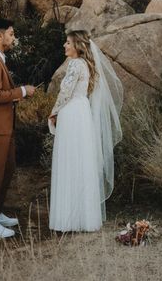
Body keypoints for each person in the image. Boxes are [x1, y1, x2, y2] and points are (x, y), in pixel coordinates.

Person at [48, 29, 123, 232]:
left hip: (71, 112)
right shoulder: (87, 66)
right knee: (81, 163)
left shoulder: (75, 64)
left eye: (68, 43)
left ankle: (68, 219)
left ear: (78, 46)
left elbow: (65, 92)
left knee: (69, 161)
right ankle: (84, 217)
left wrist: (53, 113)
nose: (65, 46)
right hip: (83, 113)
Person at [0, 17, 36, 238]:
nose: (14, 38)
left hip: (5, 126)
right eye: (11, 34)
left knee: (7, 169)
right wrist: (22, 91)